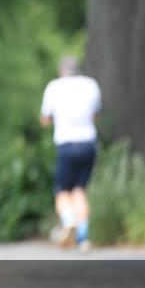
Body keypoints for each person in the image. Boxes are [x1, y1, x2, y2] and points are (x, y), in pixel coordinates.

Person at [40, 55, 101, 252]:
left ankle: (68, 221)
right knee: (79, 190)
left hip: (66, 144)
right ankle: (83, 237)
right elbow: (96, 114)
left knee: (62, 191)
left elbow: (45, 119)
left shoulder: (54, 87)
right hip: (88, 143)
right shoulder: (91, 85)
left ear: (62, 72)